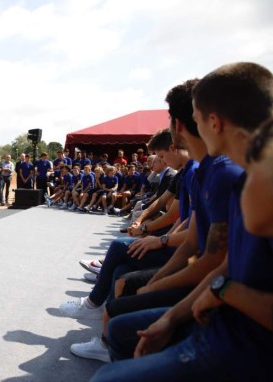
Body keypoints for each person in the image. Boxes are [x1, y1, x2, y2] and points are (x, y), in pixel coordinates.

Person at [91, 62, 273, 382]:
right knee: (121, 325)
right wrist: (175, 315)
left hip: (242, 350)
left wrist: (221, 291)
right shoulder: (235, 176)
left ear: (213, 122)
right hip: (221, 327)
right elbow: (225, 264)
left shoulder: (234, 177)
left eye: (197, 116)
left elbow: (218, 267)